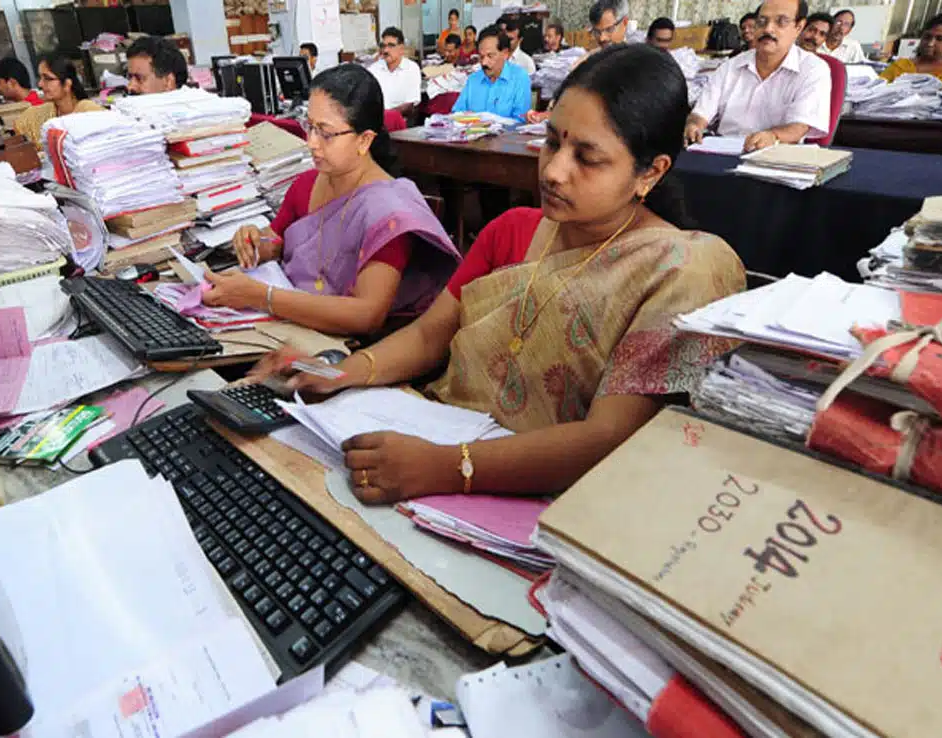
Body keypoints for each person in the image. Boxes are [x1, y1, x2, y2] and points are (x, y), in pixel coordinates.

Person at [245, 44, 745, 504]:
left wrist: (448, 468)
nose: (553, 171)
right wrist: (335, 372)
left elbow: (607, 439)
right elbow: (429, 335)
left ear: (651, 172)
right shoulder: (514, 229)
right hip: (435, 438)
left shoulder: (680, 269)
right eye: (551, 142)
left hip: (542, 500)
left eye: (587, 158)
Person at [204, 64, 460, 337]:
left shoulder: (389, 213)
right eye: (309, 127)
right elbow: (277, 240)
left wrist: (262, 297)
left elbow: (367, 315)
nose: (311, 143)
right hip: (292, 323)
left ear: (364, 140)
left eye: (325, 133)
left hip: (353, 346)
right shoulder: (307, 183)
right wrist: (255, 241)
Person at [685, 0, 831, 152]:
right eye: (762, 21)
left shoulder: (814, 69)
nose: (768, 29)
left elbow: (799, 127)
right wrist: (694, 125)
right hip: (723, 153)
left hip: (775, 158)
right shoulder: (730, 67)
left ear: (799, 27)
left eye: (781, 22)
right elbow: (700, 113)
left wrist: (772, 136)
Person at [13, 54, 103, 150]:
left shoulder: (91, 112)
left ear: (67, 84)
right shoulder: (41, 113)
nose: (40, 84)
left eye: (47, 78)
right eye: (40, 78)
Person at [452, 25, 532, 120]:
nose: (484, 62)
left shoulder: (520, 78)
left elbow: (520, 121)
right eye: (481, 57)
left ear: (505, 54)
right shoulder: (473, 79)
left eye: (490, 56)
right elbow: (457, 114)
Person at [879, 16, 942, 82]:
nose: (930, 43)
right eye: (927, 37)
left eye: (940, 39)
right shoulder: (901, 66)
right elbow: (876, 89)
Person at [368, 27, 421, 117]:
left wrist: (387, 116)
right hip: (377, 121)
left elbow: (409, 105)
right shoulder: (373, 70)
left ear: (401, 48)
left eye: (391, 45)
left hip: (400, 120)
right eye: (383, 46)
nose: (385, 50)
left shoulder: (411, 68)